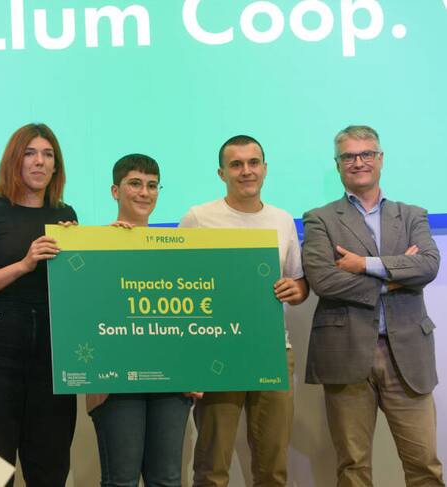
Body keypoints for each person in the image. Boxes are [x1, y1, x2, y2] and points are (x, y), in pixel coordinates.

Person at [302, 125, 443, 486]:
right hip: (345, 352)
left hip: (407, 354)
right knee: (353, 467)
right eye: (348, 156)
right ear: (338, 164)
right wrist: (394, 278)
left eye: (367, 154)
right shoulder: (319, 219)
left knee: (425, 466)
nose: (358, 162)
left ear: (380, 159)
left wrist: (364, 264)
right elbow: (324, 280)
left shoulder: (411, 215)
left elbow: (428, 265)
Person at [0, 123, 77, 487]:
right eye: (30, 153)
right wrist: (23, 264)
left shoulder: (65, 214)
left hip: (50, 361)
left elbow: (77, 284)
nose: (40, 162)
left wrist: (107, 243)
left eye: (48, 155)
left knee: (50, 469)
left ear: (56, 165)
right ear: (14, 161)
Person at [180, 135, 308, 487]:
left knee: (272, 467)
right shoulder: (198, 218)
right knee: (212, 466)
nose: (246, 171)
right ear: (222, 173)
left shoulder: (282, 220)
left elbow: (298, 282)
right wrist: (188, 363)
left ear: (265, 169)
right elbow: (179, 284)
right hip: (217, 351)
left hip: (272, 351)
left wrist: (296, 290)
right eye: (236, 164)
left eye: (253, 163)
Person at [86, 154, 193, 487]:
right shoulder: (91, 246)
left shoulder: (177, 248)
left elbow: (190, 315)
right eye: (135, 184)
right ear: (115, 191)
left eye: (152, 185)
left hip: (172, 379)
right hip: (115, 381)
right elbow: (84, 310)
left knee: (168, 480)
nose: (145, 192)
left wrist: (197, 369)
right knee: (122, 480)